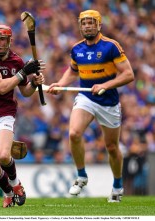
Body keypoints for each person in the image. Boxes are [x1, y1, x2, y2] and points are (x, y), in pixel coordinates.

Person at [46, 10, 134, 202]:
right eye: (84, 23)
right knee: (74, 133)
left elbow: (128, 74)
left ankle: (118, 185)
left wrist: (105, 85)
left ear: (99, 25)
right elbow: (72, 71)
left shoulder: (111, 46)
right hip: (86, 98)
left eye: (91, 23)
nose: (87, 26)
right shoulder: (77, 49)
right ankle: (81, 176)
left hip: (109, 101)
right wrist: (60, 84)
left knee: (111, 147)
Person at [0, 24, 45, 208]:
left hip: (5, 112)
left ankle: (16, 184)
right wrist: (23, 73)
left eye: (2, 39)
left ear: (9, 41)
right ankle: (8, 192)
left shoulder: (17, 61)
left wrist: (34, 83)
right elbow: (2, 86)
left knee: (3, 155)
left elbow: (25, 92)